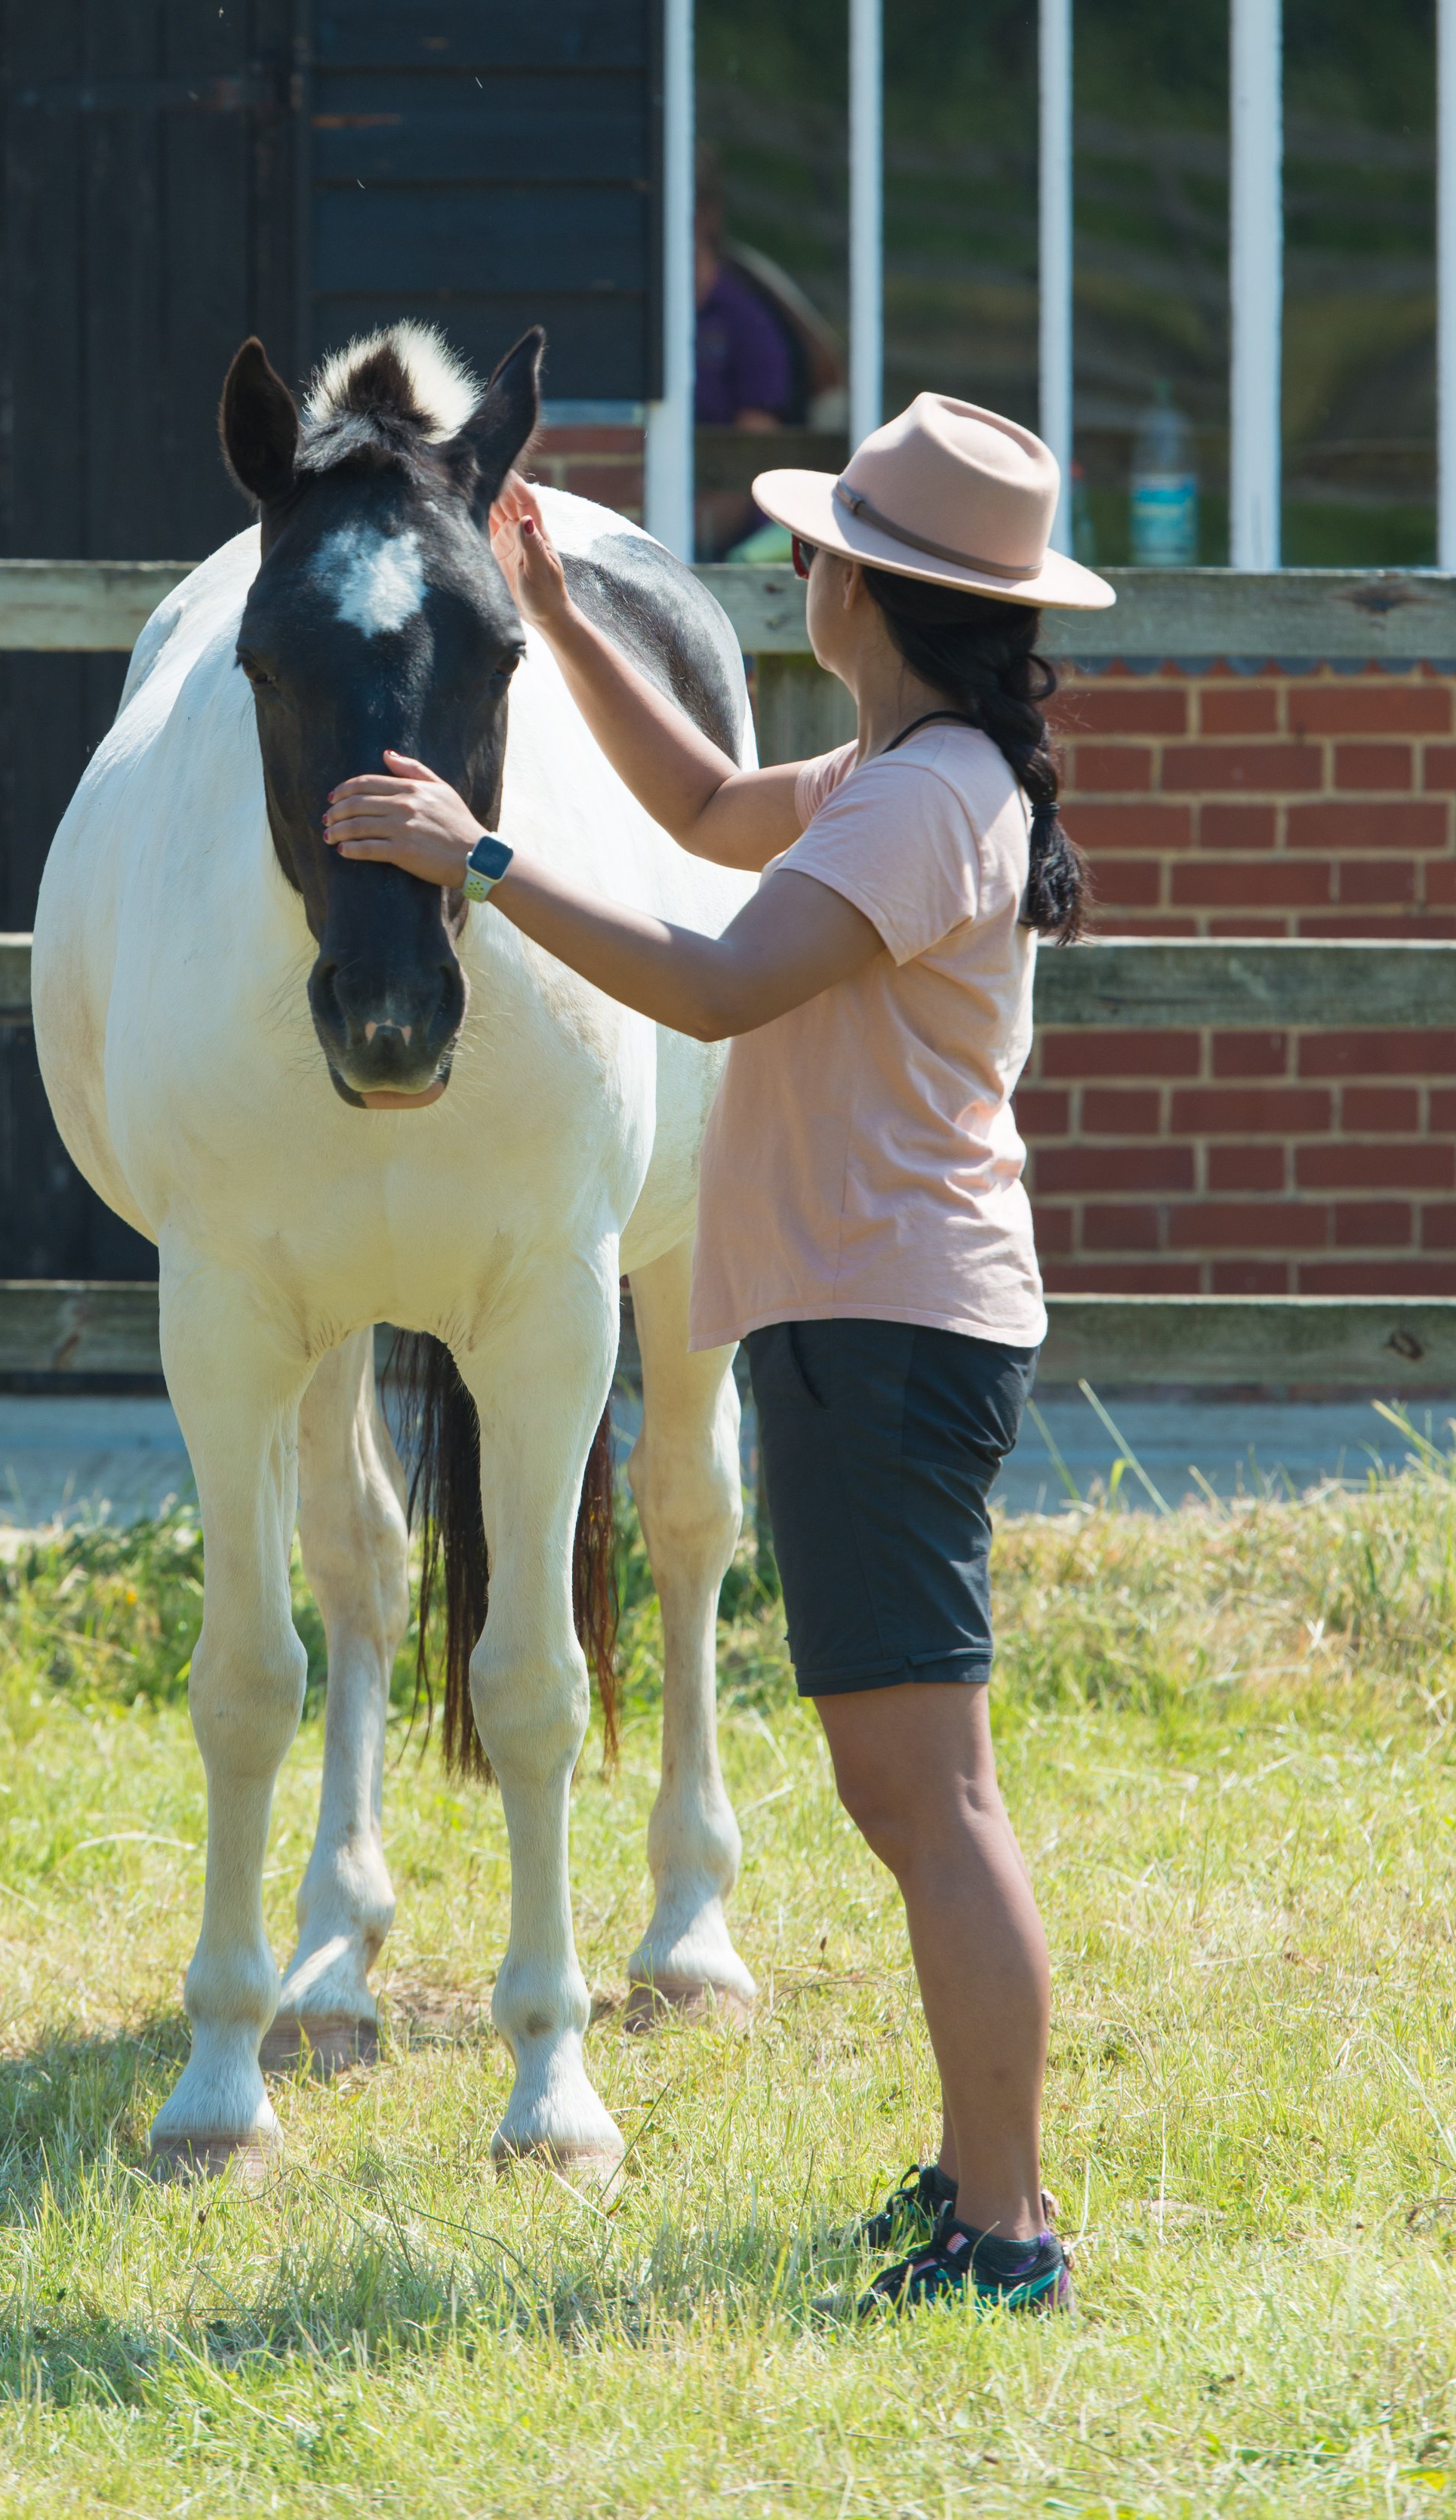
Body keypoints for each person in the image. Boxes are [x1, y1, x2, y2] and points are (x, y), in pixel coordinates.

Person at [322, 391, 1116, 2315]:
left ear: (878, 592)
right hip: (866, 1317)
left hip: (889, 1327)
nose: (793, 569)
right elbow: (690, 810)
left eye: (818, 551)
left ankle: (1004, 2233)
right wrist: (556, 609)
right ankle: (971, 2177)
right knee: (916, 1794)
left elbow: (709, 975)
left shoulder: (924, 805)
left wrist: (473, 861)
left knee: (924, 1803)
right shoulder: (898, 765)